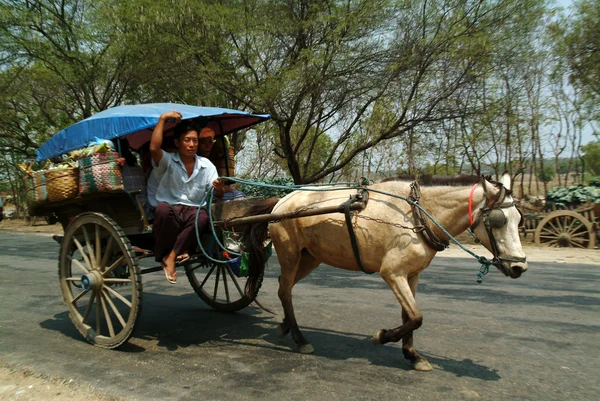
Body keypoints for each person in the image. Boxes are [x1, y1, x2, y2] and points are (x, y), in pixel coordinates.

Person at [150, 111, 225, 283]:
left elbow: (217, 193)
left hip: (193, 212)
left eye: (195, 140)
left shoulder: (207, 166)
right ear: (177, 143)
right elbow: (154, 148)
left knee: (203, 218)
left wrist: (219, 188)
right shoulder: (168, 161)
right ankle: (170, 252)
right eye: (187, 140)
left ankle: (172, 256)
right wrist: (162, 119)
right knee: (162, 210)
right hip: (171, 211)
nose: (192, 144)